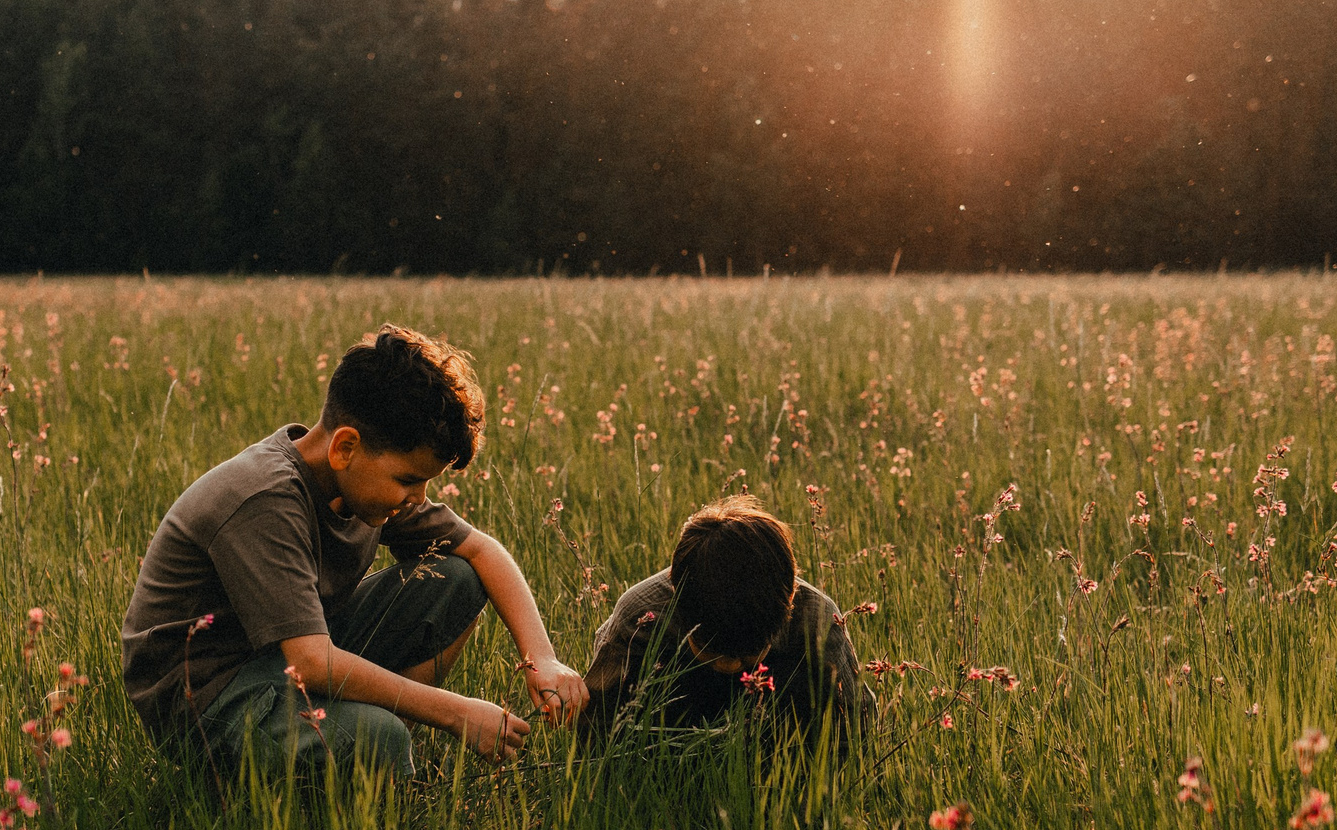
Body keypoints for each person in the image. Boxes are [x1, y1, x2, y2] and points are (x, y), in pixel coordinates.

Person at [122, 324, 589, 781]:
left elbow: (483, 552)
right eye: (408, 480)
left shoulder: (363, 486)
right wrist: (453, 713)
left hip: (285, 660)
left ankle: (375, 754)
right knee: (376, 739)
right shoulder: (263, 498)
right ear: (345, 446)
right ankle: (373, 760)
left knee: (457, 579)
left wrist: (542, 660)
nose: (417, 497)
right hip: (208, 701)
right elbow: (309, 660)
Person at [579, 494, 872, 750]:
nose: (731, 667)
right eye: (712, 651)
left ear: (790, 602)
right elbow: (596, 736)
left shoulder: (816, 621)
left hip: (778, 746)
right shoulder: (640, 620)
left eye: (745, 656)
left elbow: (852, 734)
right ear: (676, 600)